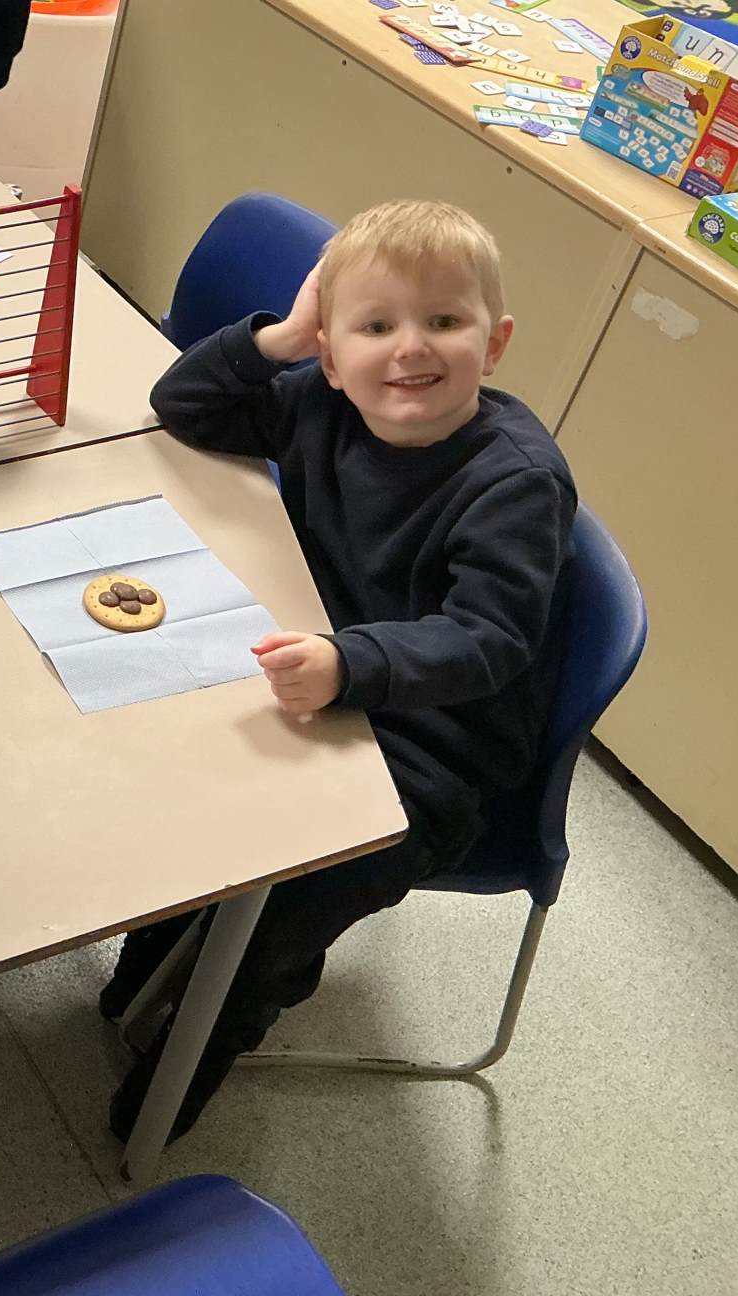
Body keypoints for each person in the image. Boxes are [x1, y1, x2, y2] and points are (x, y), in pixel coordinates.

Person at [112, 199, 575, 1141]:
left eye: (444, 320)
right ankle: (148, 971)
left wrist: (349, 662)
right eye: (375, 327)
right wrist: (280, 341)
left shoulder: (515, 481)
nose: (411, 348)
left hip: (437, 752)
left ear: (494, 344)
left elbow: (489, 639)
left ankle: (212, 1036)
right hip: (326, 676)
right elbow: (185, 405)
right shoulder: (324, 399)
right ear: (331, 354)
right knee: (185, 809)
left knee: (277, 914)